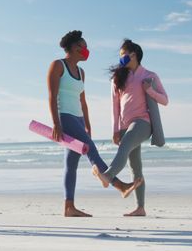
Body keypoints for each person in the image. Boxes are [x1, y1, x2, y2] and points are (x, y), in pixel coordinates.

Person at [47, 31, 141, 217]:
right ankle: (119, 185)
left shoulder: (81, 72)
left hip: (78, 119)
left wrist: (87, 125)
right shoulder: (58, 65)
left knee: (71, 163)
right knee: (90, 149)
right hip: (64, 117)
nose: (87, 51)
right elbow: (52, 96)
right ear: (75, 48)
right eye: (84, 47)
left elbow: (83, 101)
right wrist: (56, 123)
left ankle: (69, 207)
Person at [93, 39, 168, 217]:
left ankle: (108, 176)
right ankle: (140, 208)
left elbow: (165, 100)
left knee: (125, 147)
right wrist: (115, 129)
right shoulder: (118, 78)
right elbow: (115, 106)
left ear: (134, 55)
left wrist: (149, 90)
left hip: (143, 123)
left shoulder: (149, 76)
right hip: (126, 126)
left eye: (123, 55)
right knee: (135, 166)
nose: (121, 59)